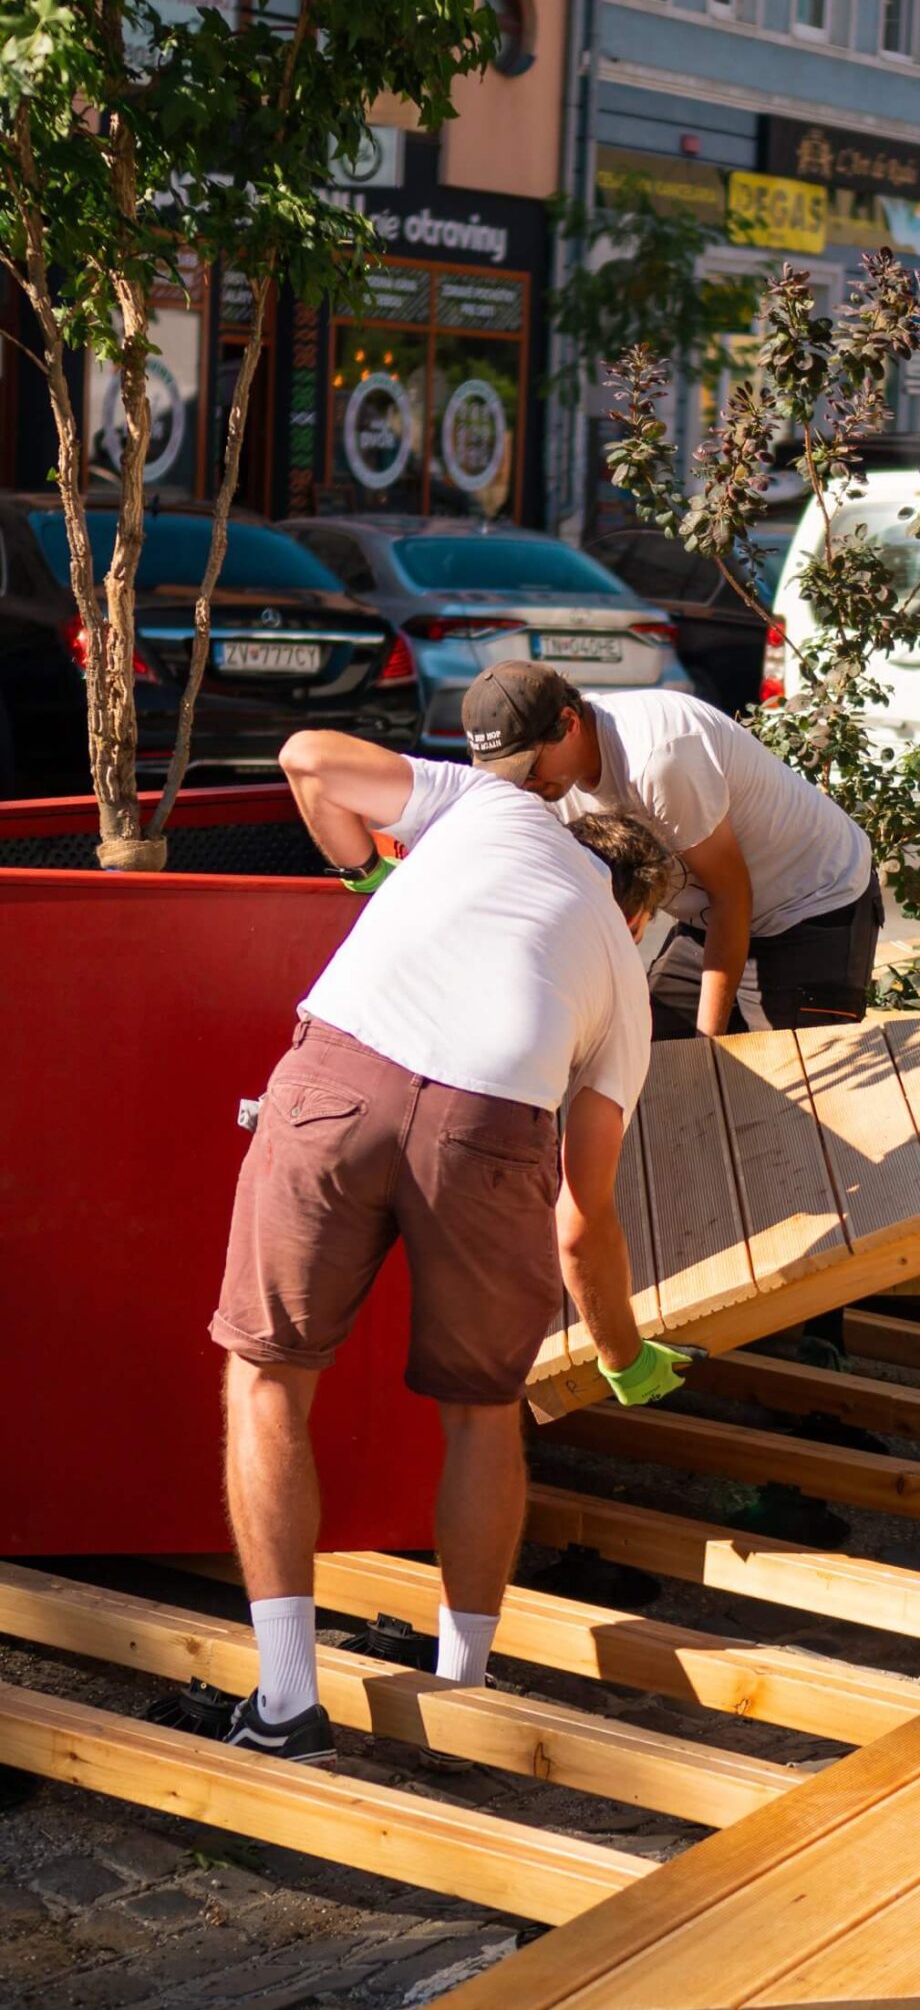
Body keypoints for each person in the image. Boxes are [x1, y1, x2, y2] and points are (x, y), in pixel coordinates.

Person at [204, 670, 685, 1765]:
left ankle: (285, 1702)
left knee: (270, 1374)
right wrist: (623, 1354)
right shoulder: (621, 972)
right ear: (642, 911)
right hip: (491, 1120)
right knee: (482, 1410)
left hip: (339, 1076)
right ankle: (461, 1682)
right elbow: (583, 1217)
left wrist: (366, 870)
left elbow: (308, 757)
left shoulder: (489, 806)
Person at [530, 676, 878, 1039]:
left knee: (787, 1077)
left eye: (530, 764)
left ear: (570, 724)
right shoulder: (540, 786)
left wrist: (706, 1047)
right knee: (652, 1050)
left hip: (809, 904)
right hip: (712, 917)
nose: (523, 781)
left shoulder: (658, 757)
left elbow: (731, 895)